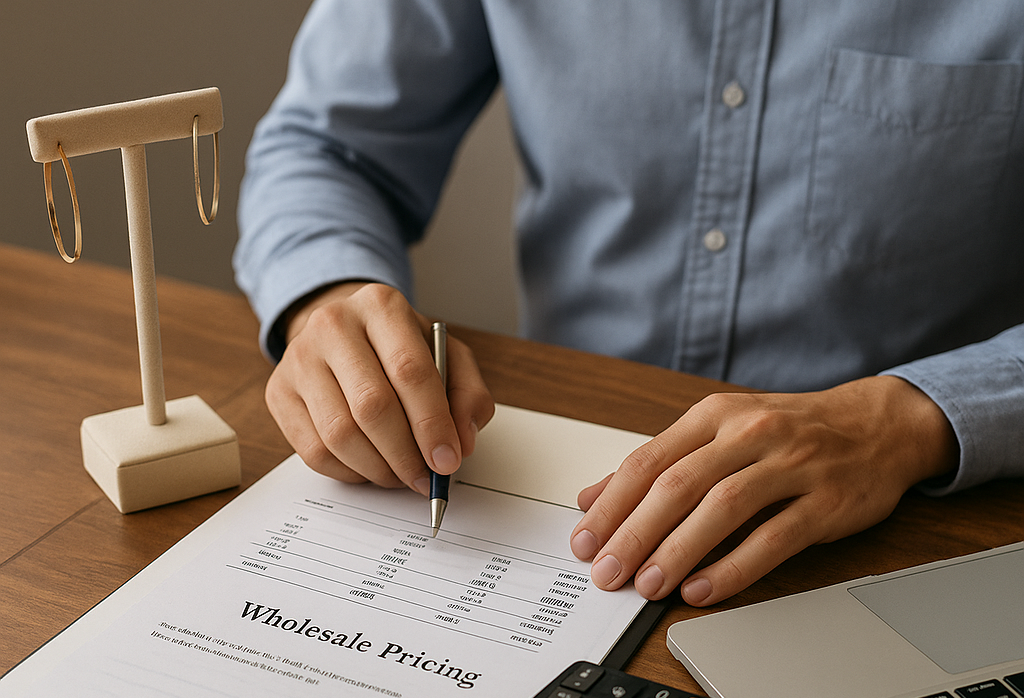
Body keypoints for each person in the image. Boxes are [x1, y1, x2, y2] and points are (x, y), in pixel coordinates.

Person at [234, 0, 1024, 607]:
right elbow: (327, 148)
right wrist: (325, 296)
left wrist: (909, 421)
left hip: (913, 532)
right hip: (552, 484)